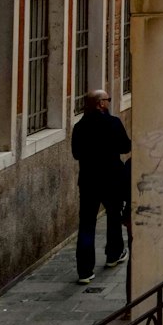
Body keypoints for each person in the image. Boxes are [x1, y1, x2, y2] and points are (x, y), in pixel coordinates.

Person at [71, 89, 130, 285]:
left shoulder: (79, 127)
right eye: (107, 100)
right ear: (100, 104)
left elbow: (77, 154)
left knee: (87, 224)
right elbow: (125, 147)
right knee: (114, 216)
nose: (108, 102)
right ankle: (113, 254)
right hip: (111, 179)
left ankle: (85, 270)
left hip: (88, 181)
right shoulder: (112, 123)